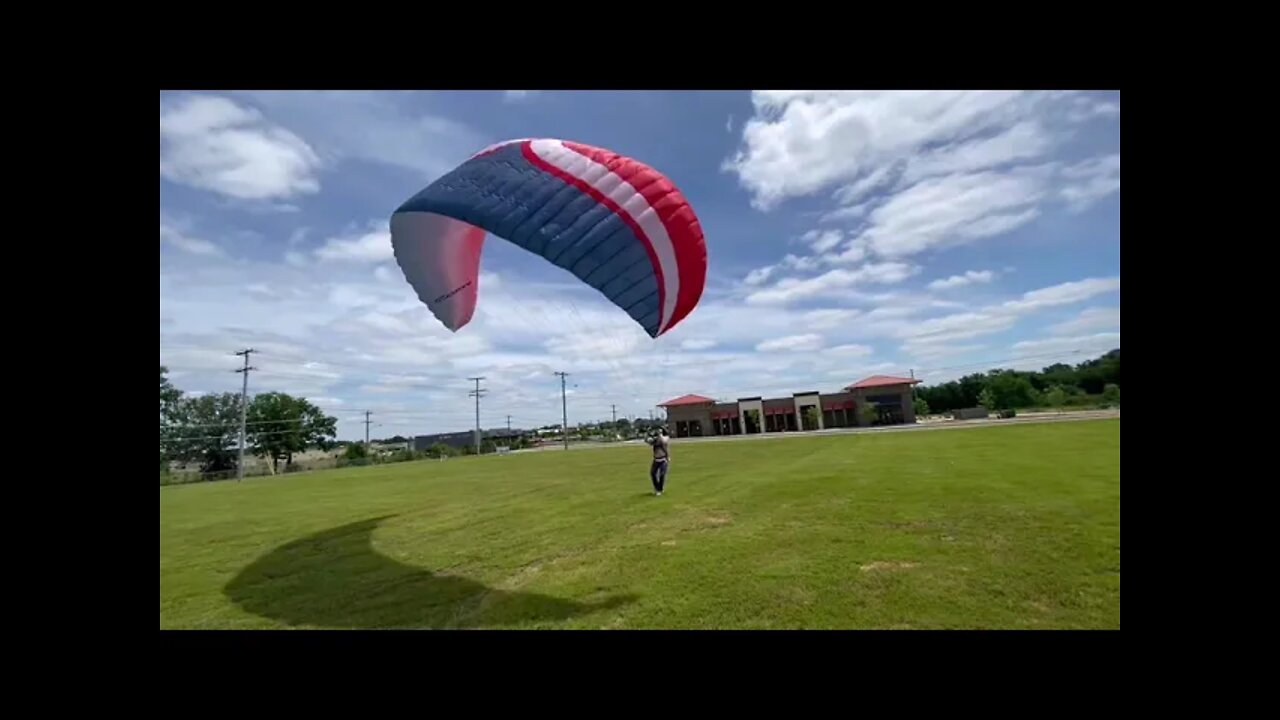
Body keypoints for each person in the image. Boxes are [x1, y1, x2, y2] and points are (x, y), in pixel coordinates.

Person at [646, 426, 670, 496]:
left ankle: (660, 489)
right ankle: (657, 488)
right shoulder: (656, 440)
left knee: (662, 475)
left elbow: (663, 442)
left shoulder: (665, 438)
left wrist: (668, 457)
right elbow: (648, 442)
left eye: (660, 431)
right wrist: (647, 434)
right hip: (656, 460)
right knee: (653, 473)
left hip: (663, 460)